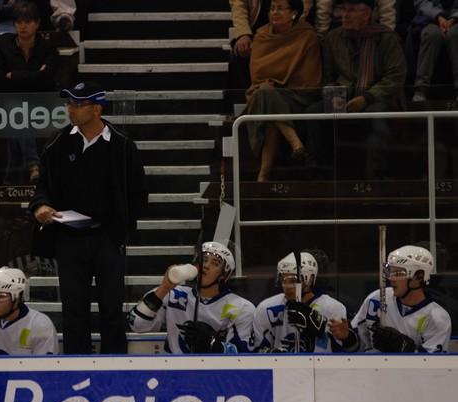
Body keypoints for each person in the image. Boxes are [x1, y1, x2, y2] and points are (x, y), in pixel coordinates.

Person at [29, 81, 148, 354]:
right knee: (73, 310)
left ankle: (115, 366)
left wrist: (120, 229)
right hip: (69, 237)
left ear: (96, 109)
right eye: (69, 104)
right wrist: (41, 205)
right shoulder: (58, 142)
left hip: (107, 237)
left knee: (112, 308)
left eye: (78, 104)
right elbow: (43, 183)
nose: (70, 109)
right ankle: (75, 364)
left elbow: (139, 193)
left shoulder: (122, 145)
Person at [306, 0, 406, 176]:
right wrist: (332, 94)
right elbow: (329, 76)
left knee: (376, 116)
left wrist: (366, 98)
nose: (344, 15)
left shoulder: (387, 39)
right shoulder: (333, 38)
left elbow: (395, 77)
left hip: (376, 97)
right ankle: (320, 173)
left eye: (351, 11)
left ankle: (375, 175)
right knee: (314, 112)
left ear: (367, 14)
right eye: (344, 10)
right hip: (343, 95)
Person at [127, 242, 255, 354]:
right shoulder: (173, 295)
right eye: (203, 260)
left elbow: (245, 355)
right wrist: (164, 288)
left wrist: (213, 344)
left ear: (223, 275)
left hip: (215, 372)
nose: (206, 265)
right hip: (173, 370)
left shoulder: (240, 307)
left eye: (215, 263)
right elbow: (137, 324)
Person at [243, 0, 321, 182]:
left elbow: (309, 75)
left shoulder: (307, 36)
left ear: (294, 13)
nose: (274, 12)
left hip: (298, 95)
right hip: (268, 93)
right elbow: (258, 72)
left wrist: (278, 83)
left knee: (267, 97)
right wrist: (274, 85)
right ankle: (295, 144)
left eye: (280, 8)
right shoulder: (262, 35)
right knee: (267, 96)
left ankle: (263, 174)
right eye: (271, 8)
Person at [330, 245, 452, 352]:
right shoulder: (377, 299)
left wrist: (405, 349)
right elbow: (358, 349)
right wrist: (347, 338)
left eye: (398, 273)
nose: (391, 278)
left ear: (418, 277)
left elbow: (431, 366)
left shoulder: (437, 319)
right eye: (390, 272)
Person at [0, 0, 57, 184]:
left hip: (41, 103)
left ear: (37, 24)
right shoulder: (2, 44)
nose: (23, 26)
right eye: (19, 22)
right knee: (19, 113)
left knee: (19, 117)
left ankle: (11, 177)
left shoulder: (47, 47)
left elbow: (48, 79)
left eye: (28, 22)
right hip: (9, 102)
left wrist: (14, 75)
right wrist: (35, 75)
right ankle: (33, 166)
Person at [252, 251, 348, 352]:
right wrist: (274, 354)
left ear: (310, 280)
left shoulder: (332, 308)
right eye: (283, 280)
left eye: (293, 281)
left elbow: (341, 353)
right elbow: (257, 351)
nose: (287, 287)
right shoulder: (267, 308)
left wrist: (343, 337)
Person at [411, 0, 458, 104]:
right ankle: (421, 88)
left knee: (455, 35)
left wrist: (454, 18)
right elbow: (421, 2)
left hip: (456, 20)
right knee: (431, 35)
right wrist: (438, 17)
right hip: (430, 19)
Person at [315, 0, 396, 38]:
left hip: (369, 24)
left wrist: (386, 36)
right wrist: (321, 34)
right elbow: (324, 8)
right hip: (336, 25)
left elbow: (387, 12)